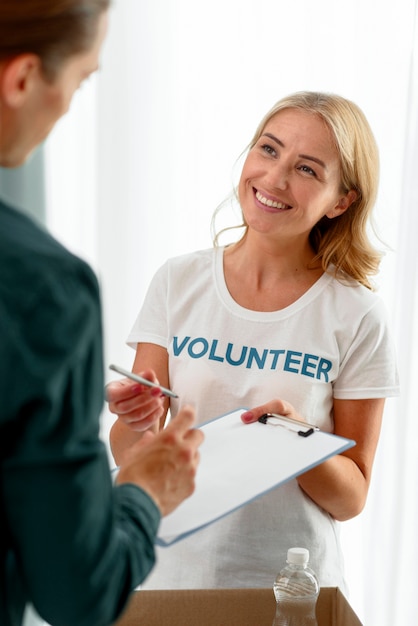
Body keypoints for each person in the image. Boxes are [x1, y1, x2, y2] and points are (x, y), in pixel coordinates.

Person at [107, 91, 399, 593]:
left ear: (342, 200)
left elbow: (351, 499)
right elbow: (132, 454)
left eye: (307, 169)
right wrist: (137, 422)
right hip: (168, 582)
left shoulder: (357, 313)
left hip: (289, 590)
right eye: (269, 149)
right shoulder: (178, 281)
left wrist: (297, 439)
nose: (275, 178)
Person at [0, 2, 203, 626]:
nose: (68, 107)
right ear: (24, 78)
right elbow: (79, 592)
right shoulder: (43, 287)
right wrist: (144, 490)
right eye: (82, 80)